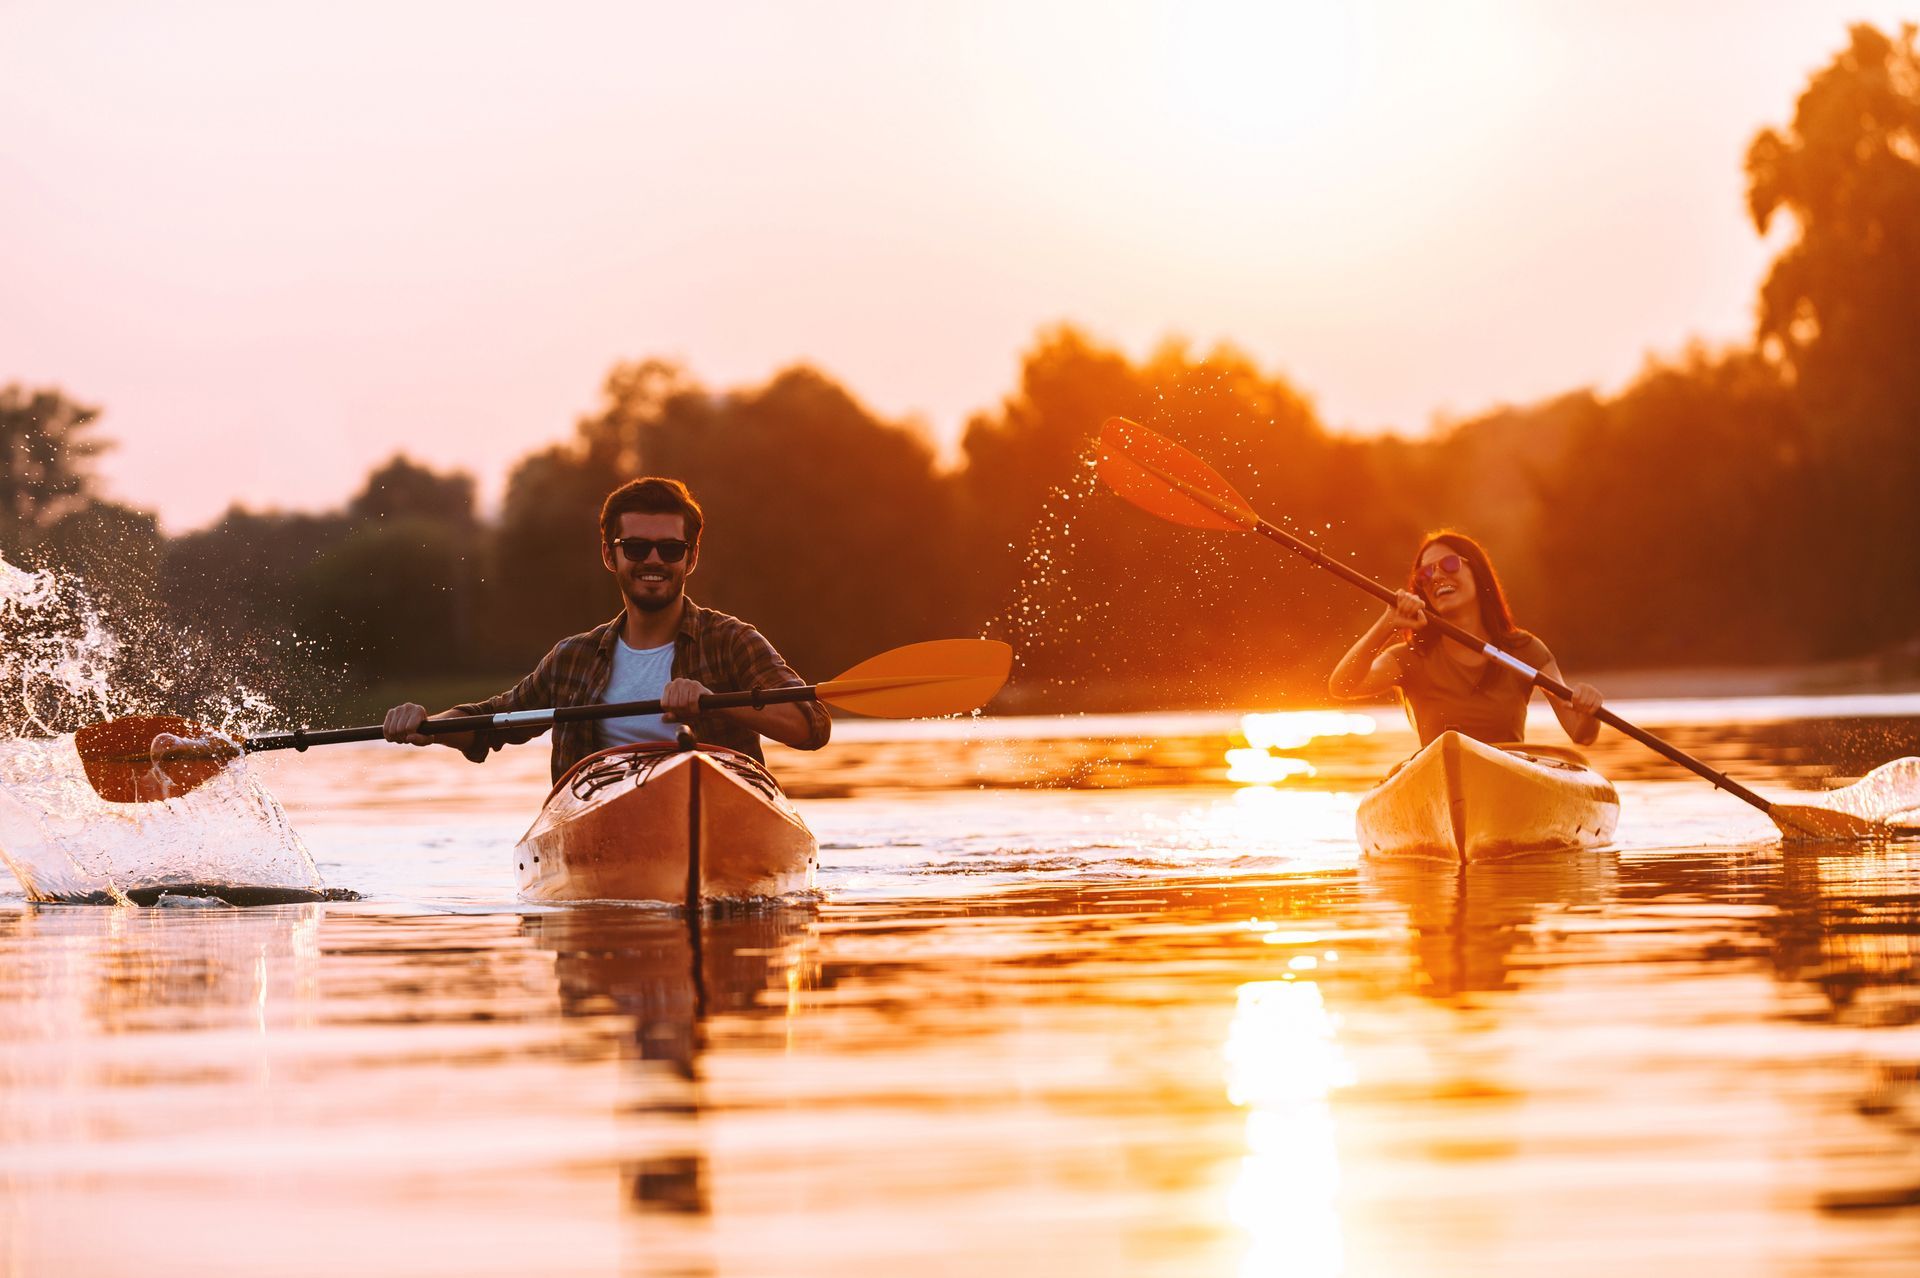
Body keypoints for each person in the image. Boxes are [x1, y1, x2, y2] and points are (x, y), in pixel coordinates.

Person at [382, 477, 829, 781]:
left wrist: (715, 705)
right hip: (601, 816)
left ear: (690, 559)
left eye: (670, 549)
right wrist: (427, 725)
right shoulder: (573, 658)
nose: (653, 560)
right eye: (635, 547)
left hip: (722, 809)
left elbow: (811, 727)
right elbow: (490, 723)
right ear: (609, 555)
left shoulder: (732, 641)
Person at [1328, 531, 1603, 747]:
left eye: (1449, 564)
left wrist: (1588, 710)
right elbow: (1341, 686)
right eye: (1425, 573)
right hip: (1440, 786)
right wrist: (1386, 624)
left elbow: (1581, 734)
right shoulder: (1410, 658)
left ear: (1477, 573)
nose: (1436, 576)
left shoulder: (1523, 650)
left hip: (1508, 788)